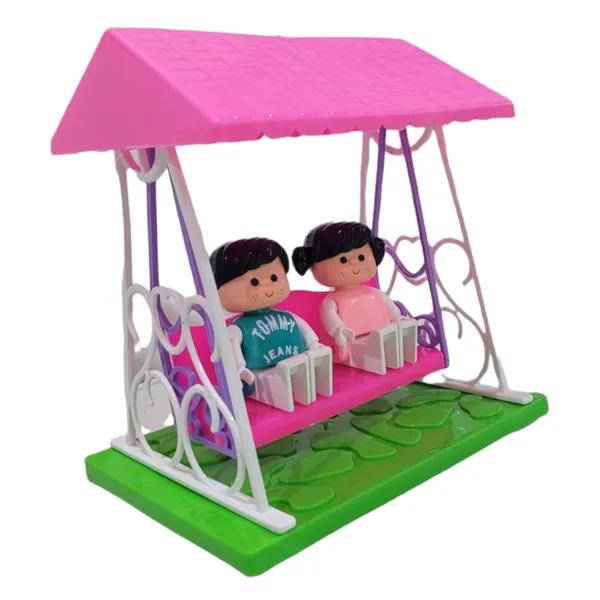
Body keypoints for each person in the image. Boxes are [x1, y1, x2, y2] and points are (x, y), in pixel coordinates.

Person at [210, 238, 332, 411]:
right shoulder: (238, 328)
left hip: (298, 365)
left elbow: (303, 327)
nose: (267, 286)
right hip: (261, 373)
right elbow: (231, 344)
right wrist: (239, 368)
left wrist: (314, 344)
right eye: (254, 282)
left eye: (274, 277)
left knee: (309, 383)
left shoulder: (287, 316)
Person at [292, 222, 418, 375]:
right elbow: (330, 317)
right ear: (313, 266)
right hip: (354, 342)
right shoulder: (331, 301)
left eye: (361, 257)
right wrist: (339, 330)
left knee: (392, 343)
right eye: (343, 260)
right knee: (379, 350)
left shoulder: (373, 292)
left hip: (385, 333)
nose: (354, 263)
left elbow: (389, 306)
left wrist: (398, 317)